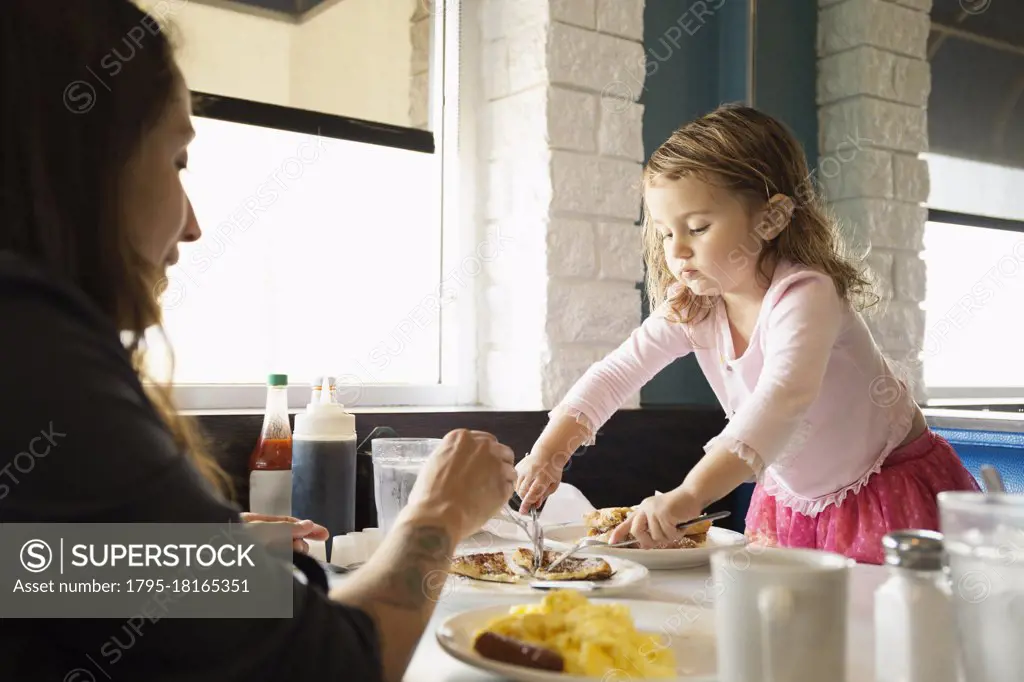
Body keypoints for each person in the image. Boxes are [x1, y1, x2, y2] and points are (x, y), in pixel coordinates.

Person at [0, 2, 515, 680]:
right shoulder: (39, 355)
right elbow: (328, 665)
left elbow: (31, 575)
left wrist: (175, 553)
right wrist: (439, 515)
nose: (192, 226)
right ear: (84, 163)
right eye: (179, 160)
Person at [514, 105, 980, 564]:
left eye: (697, 227)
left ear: (771, 219)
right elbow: (617, 373)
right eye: (663, 232)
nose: (676, 250)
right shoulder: (696, 306)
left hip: (885, 489)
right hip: (792, 501)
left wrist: (690, 494)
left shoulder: (806, 294)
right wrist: (549, 451)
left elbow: (781, 402)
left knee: (878, 629)